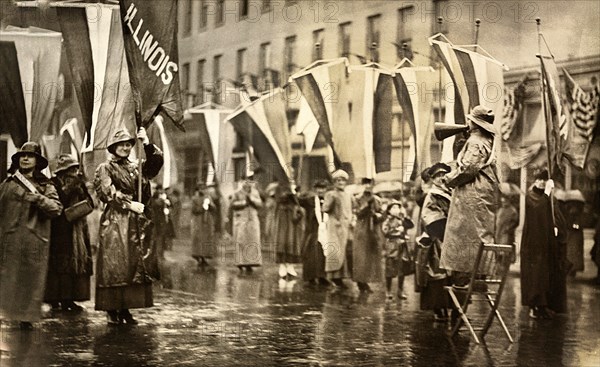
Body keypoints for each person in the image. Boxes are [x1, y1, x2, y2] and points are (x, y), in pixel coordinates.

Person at [94, 128, 163, 325]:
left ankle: (125, 309)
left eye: (128, 144)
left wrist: (147, 143)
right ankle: (112, 309)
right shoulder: (105, 167)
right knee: (116, 264)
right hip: (116, 220)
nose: (125, 148)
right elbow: (105, 191)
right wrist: (127, 204)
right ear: (113, 147)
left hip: (137, 221)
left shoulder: (137, 166)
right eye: (121, 144)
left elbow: (156, 163)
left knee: (133, 267)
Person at [0, 142, 63, 329]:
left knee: (30, 280)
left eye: (30, 156)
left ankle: (26, 319)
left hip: (34, 240)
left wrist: (38, 199)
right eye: (22, 156)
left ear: (37, 161)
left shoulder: (45, 185)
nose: (25, 158)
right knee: (9, 278)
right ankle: (9, 315)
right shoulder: (7, 184)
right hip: (10, 239)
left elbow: (56, 208)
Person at [441, 105, 499, 287]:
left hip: (472, 194)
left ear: (474, 123)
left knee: (463, 233)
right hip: (483, 194)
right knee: (479, 234)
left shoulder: (476, 141)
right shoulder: (486, 140)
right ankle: (477, 275)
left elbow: (468, 168)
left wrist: (449, 178)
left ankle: (465, 278)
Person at [45, 155, 94, 312]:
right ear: (62, 172)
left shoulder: (79, 183)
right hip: (58, 229)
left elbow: (90, 202)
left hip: (76, 228)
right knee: (58, 266)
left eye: (75, 169)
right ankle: (55, 299)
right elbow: (56, 203)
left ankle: (70, 299)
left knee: (74, 265)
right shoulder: (52, 184)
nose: (74, 172)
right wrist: (69, 189)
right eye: (70, 169)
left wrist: (80, 189)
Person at [520, 169, 569, 319]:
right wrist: (547, 193)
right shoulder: (531, 196)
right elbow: (538, 209)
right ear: (535, 181)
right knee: (536, 277)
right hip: (533, 244)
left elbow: (555, 215)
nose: (541, 182)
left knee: (546, 275)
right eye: (539, 179)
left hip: (546, 243)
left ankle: (544, 305)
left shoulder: (550, 197)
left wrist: (556, 227)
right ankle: (534, 306)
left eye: (544, 180)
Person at [419, 162, 453, 321]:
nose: (441, 178)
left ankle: (448, 306)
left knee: (449, 275)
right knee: (437, 274)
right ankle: (438, 308)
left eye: (443, 175)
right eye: (437, 176)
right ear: (432, 179)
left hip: (450, 238)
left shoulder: (452, 193)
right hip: (437, 238)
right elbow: (430, 217)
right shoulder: (432, 195)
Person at [321, 169, 353, 289]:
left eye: (343, 180)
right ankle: (333, 277)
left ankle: (342, 276)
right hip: (335, 226)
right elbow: (325, 208)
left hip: (346, 226)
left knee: (345, 251)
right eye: (338, 180)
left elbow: (352, 208)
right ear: (334, 182)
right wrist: (330, 202)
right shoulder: (331, 194)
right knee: (335, 251)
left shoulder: (348, 195)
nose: (341, 182)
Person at [352, 178, 384, 293]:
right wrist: (366, 205)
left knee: (371, 257)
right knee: (361, 257)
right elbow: (357, 213)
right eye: (365, 184)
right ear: (362, 185)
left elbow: (382, 213)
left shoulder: (377, 199)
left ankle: (366, 280)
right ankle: (361, 282)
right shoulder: (357, 198)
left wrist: (377, 215)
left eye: (370, 184)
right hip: (361, 229)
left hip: (373, 230)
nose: (368, 186)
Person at [298, 179, 330, 286]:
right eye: (319, 188)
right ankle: (310, 277)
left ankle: (322, 277)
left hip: (325, 230)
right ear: (315, 189)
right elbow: (299, 200)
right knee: (311, 253)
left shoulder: (328, 200)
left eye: (323, 188)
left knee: (323, 253)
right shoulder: (310, 200)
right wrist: (298, 191)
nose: (321, 191)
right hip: (312, 230)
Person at [381, 200, 414, 300]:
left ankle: (400, 290)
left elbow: (410, 225)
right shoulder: (387, 220)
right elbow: (385, 232)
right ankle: (388, 291)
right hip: (392, 246)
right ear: (389, 210)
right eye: (394, 208)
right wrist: (396, 231)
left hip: (402, 246)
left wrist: (405, 217)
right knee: (390, 269)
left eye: (398, 207)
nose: (396, 210)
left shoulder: (401, 219)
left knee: (402, 269)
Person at [230, 174, 263, 272]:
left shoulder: (255, 192)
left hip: (252, 220)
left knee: (252, 241)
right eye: (245, 181)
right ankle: (240, 262)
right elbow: (232, 204)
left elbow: (260, 204)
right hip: (241, 220)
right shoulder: (237, 193)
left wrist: (252, 200)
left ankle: (251, 262)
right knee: (241, 241)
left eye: (249, 182)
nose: (247, 184)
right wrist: (243, 203)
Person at [274, 182, 305, 278]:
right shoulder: (280, 185)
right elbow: (278, 198)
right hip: (283, 214)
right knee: (282, 240)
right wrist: (288, 194)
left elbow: (299, 201)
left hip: (293, 214)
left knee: (293, 240)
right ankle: (282, 265)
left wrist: (297, 195)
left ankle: (290, 265)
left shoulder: (297, 182)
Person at [191, 183, 218, 268]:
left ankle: (204, 257)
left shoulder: (208, 197)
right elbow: (194, 210)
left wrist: (209, 205)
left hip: (207, 221)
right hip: (198, 220)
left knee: (206, 238)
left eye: (204, 188)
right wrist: (202, 207)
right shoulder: (194, 198)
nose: (203, 190)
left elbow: (214, 208)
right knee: (198, 238)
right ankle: (198, 256)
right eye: (201, 188)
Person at [149, 185, 175, 258]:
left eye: (161, 190)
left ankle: (161, 254)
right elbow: (153, 204)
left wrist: (168, 207)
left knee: (162, 237)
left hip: (163, 220)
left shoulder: (165, 198)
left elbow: (171, 206)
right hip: (155, 220)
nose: (160, 192)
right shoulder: (154, 198)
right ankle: (155, 254)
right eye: (159, 190)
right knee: (156, 237)